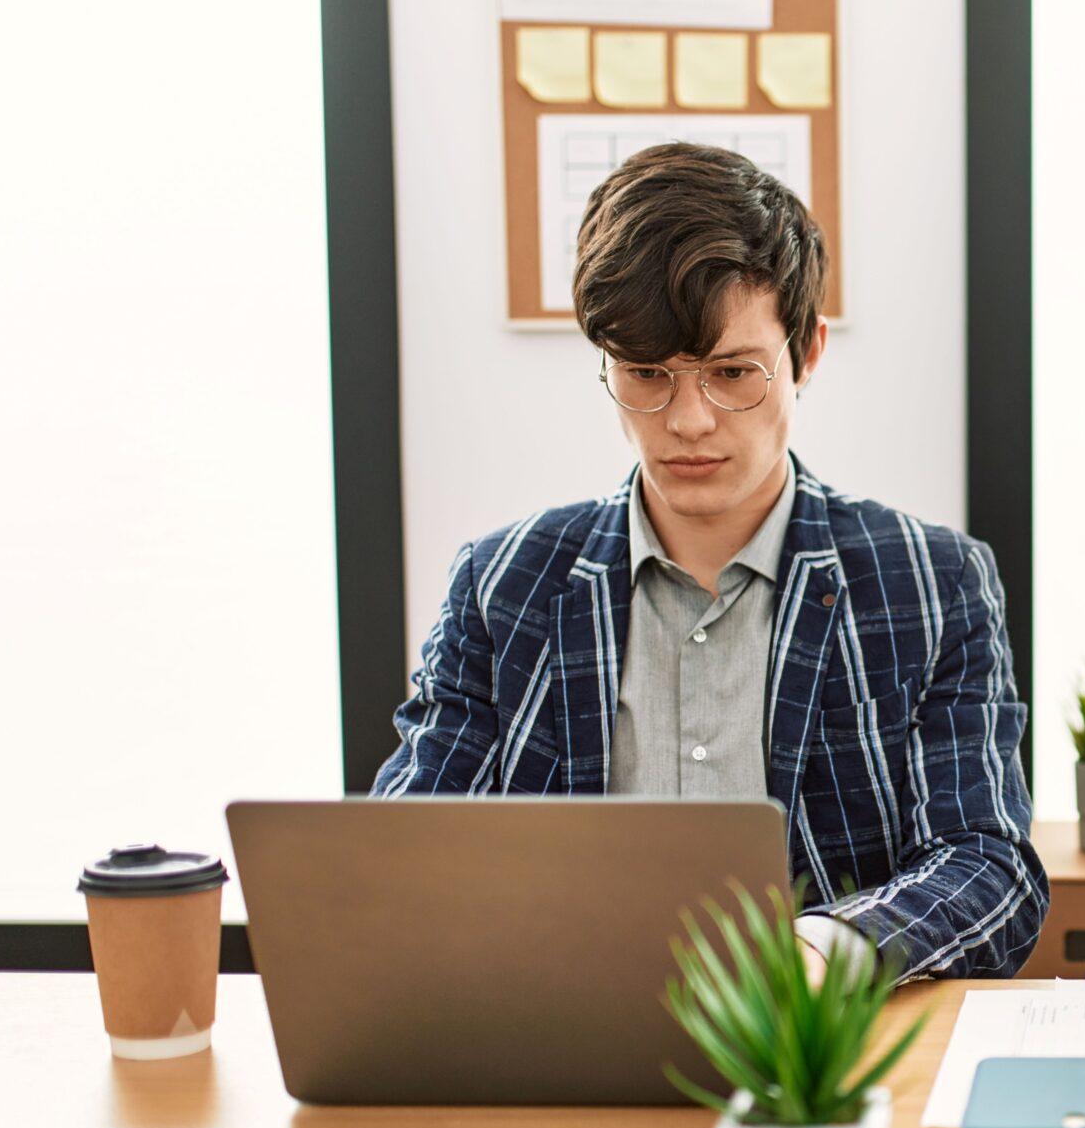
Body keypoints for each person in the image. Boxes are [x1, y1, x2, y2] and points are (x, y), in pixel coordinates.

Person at [372, 142, 1045, 979]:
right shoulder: (502, 585)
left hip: (821, 1048)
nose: (688, 420)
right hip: (562, 1035)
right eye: (647, 372)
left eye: (733, 374)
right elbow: (404, 859)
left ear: (808, 355)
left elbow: (990, 863)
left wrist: (822, 950)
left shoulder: (933, 583)